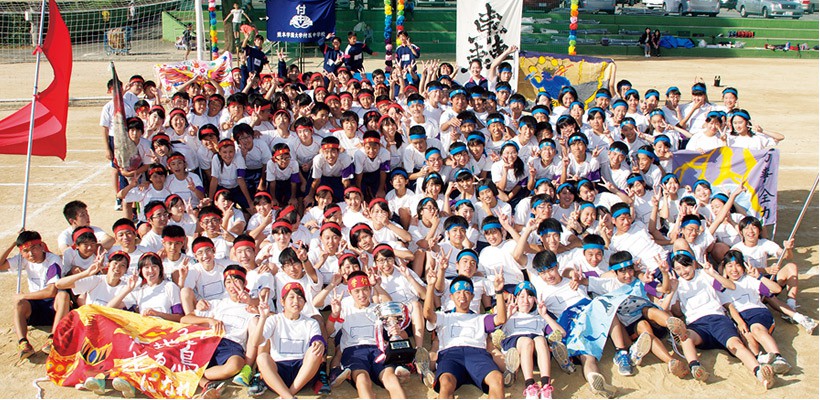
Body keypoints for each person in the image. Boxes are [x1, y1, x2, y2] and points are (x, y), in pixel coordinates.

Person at [0, 231, 65, 359]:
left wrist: (24, 296)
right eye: (26, 251)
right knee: (19, 304)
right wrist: (14, 243)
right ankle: (23, 343)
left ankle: (53, 338)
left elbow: (51, 292)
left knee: (63, 296)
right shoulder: (23, 260)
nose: (31, 254)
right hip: (35, 308)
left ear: (41, 246)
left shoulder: (53, 260)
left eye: (34, 248)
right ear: (21, 253)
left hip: (53, 307)